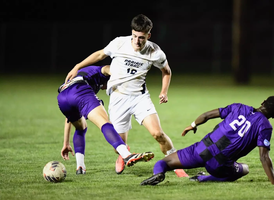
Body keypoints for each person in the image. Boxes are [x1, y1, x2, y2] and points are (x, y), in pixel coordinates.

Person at [64, 14, 188, 177]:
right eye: (134, 36)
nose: (137, 41)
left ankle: (176, 164)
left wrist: (164, 91)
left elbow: (167, 71)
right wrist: (77, 66)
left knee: (158, 133)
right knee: (118, 145)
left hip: (139, 98)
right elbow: (100, 55)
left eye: (141, 37)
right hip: (118, 98)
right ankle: (123, 154)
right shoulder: (119, 43)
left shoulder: (155, 52)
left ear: (148, 35)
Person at [140, 96, 274, 185]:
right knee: (244, 169)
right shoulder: (265, 126)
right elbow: (264, 157)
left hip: (201, 150)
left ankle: (157, 174)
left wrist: (193, 125)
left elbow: (208, 115)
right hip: (219, 164)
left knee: (163, 162)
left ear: (263, 102)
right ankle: (203, 179)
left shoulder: (239, 107)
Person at [58, 65, 154, 174]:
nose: (105, 88)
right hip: (80, 90)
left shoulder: (83, 76)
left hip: (63, 98)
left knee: (81, 128)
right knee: (105, 123)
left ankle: (80, 167)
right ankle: (126, 155)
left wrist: (65, 143)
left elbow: (68, 118)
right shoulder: (100, 70)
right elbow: (109, 69)